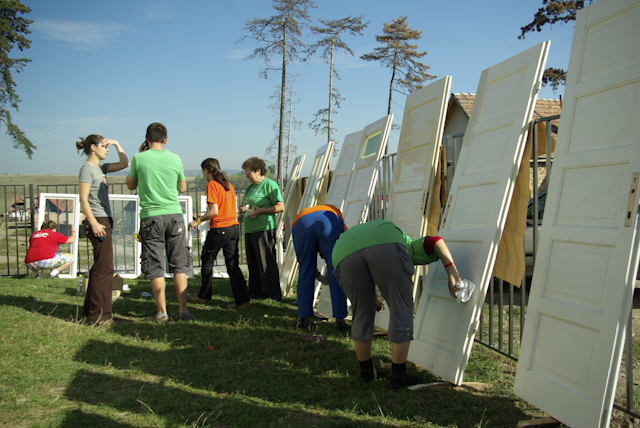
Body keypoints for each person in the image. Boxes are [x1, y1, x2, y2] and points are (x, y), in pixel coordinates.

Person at [332, 219, 461, 389]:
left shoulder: (373, 234)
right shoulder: (409, 245)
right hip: (386, 240)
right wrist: (452, 270)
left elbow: (367, 266)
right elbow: (435, 241)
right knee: (401, 307)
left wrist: (374, 300)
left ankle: (367, 373)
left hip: (342, 250)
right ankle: (398, 377)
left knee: (361, 311)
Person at [126, 123, 193, 323]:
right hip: (174, 216)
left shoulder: (139, 158)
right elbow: (182, 188)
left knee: (156, 266)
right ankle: (183, 311)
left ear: (146, 139)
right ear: (166, 139)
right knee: (179, 266)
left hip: (151, 217)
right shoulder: (175, 158)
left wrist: (141, 156)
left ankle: (162, 313)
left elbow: (131, 184)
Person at [78, 135, 129, 325]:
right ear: (93, 147)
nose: (106, 149)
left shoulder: (101, 168)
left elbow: (125, 163)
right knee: (105, 269)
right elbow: (83, 199)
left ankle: (90, 314)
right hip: (98, 221)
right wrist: (93, 223)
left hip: (104, 220)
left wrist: (116, 144)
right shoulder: (87, 170)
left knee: (100, 267)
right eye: (103, 146)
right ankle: (100, 317)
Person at [187, 158, 249, 309]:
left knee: (207, 260)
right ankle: (242, 300)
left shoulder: (212, 185)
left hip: (220, 228)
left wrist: (197, 221)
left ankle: (204, 296)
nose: (203, 175)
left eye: (203, 172)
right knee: (232, 265)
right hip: (233, 228)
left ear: (206, 171)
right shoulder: (228, 185)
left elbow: (214, 211)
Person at [291, 204, 349, 330]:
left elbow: (307, 263)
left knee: (305, 270)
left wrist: (315, 272)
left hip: (300, 222)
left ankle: (303, 319)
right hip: (329, 220)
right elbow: (341, 255)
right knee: (336, 270)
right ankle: (340, 320)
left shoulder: (308, 214)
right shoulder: (339, 221)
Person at [239, 157, 284, 301]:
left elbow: (280, 207)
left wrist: (262, 211)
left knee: (265, 262)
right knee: (253, 262)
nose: (246, 175)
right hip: (250, 229)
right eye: (245, 172)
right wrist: (243, 208)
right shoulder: (250, 187)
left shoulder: (270, 185)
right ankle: (255, 292)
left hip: (264, 229)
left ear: (258, 171)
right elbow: (246, 204)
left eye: (248, 172)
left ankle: (271, 294)